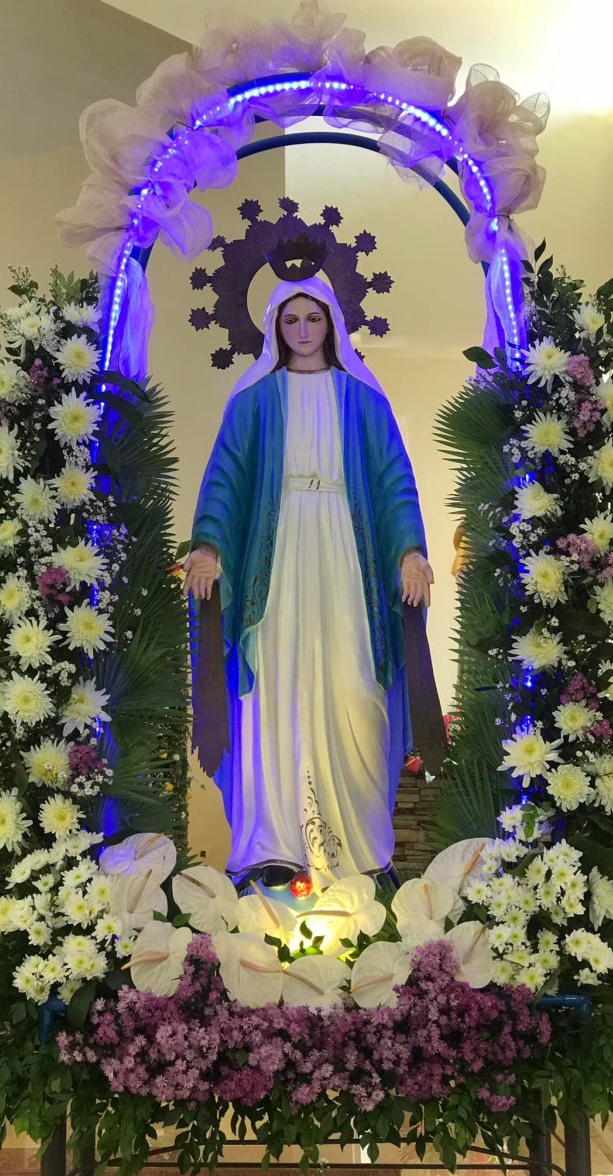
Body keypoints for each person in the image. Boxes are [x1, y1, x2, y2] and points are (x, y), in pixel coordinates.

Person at [184, 276, 438, 891]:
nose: (302, 330)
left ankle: (361, 850)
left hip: (347, 560)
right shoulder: (253, 402)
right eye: (291, 319)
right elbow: (225, 479)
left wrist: (409, 552)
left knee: (355, 689)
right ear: (275, 326)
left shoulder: (364, 401)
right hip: (276, 564)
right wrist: (209, 545)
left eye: (313, 318)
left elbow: (394, 480)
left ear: (332, 324)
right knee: (276, 689)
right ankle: (272, 845)